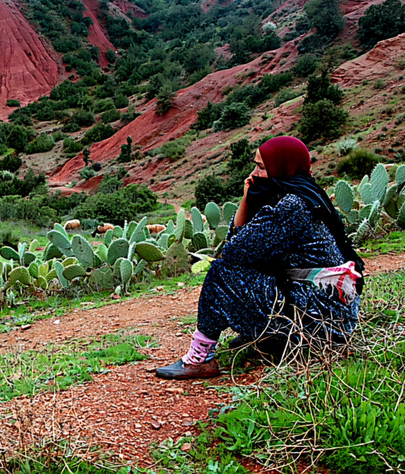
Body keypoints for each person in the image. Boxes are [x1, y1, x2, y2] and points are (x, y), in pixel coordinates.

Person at [156, 136, 365, 380]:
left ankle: (199, 359)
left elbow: (234, 251)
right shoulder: (308, 193)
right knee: (258, 268)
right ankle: (266, 336)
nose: (253, 174)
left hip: (319, 324)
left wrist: (247, 201)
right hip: (332, 316)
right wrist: (248, 198)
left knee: (221, 273)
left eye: (261, 167)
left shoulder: (292, 206)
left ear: (282, 168)